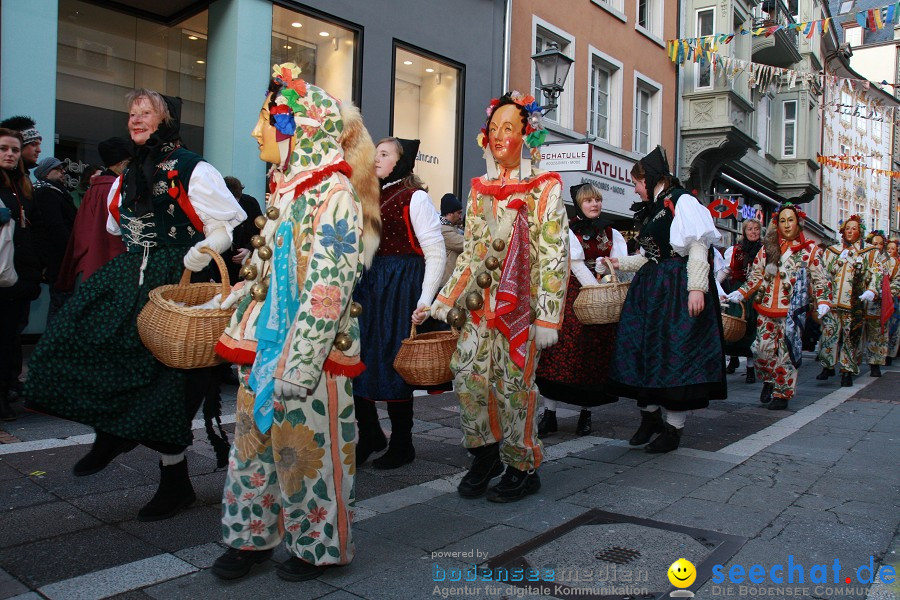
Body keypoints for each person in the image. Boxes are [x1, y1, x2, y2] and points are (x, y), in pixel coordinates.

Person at [24, 89, 246, 521]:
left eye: (146, 112)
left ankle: (170, 481)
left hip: (181, 280)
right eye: (132, 113)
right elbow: (115, 225)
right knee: (74, 339)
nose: (136, 118)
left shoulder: (192, 167)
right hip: (134, 276)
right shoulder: (126, 175)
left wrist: (202, 250)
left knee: (170, 385)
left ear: (166, 120)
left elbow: (225, 227)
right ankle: (112, 429)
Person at [212, 63, 380, 582]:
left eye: (265, 119)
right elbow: (266, 269)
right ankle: (249, 537)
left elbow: (329, 285)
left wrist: (299, 361)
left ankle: (316, 545)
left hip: (310, 356)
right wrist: (231, 301)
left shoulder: (335, 195)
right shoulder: (285, 192)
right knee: (251, 446)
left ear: (296, 127)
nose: (255, 131)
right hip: (262, 344)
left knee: (310, 451)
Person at [431, 91, 568, 502]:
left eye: (508, 129)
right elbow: (471, 252)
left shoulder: (545, 188)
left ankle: (522, 464)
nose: (498, 137)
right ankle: (485, 453)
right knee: (468, 380)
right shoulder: (478, 191)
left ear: (526, 135)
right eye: (493, 129)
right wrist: (447, 296)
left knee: (514, 388)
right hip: (477, 309)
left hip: (520, 311)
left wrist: (547, 317)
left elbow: (553, 252)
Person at [598, 146, 726, 454]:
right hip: (652, 290)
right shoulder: (656, 207)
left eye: (637, 182)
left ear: (649, 178)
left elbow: (697, 247)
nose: (635, 188)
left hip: (675, 289)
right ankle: (651, 416)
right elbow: (648, 258)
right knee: (640, 351)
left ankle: (673, 428)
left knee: (675, 356)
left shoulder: (682, 201)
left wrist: (697, 288)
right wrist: (618, 264)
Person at [352, 137, 445, 469]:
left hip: (400, 285)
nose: (376, 158)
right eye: (375, 152)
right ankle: (371, 434)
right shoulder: (367, 195)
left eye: (385, 154)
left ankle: (403, 444)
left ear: (402, 162)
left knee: (396, 363)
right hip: (370, 286)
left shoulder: (414, 197)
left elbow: (435, 251)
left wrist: (425, 300)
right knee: (357, 359)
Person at [535, 183, 625, 437]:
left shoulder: (611, 232)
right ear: (578, 204)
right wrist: (594, 290)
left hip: (601, 299)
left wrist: (606, 272)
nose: (594, 204)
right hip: (573, 296)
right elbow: (574, 264)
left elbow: (618, 265)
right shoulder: (567, 229)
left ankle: (586, 414)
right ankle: (549, 413)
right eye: (588, 201)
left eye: (597, 200)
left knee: (592, 355)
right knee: (557, 354)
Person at [724, 204, 832, 410]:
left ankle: (782, 393)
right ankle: (769, 379)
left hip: (792, 313)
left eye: (790, 220)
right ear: (777, 224)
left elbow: (820, 279)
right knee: (760, 349)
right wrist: (742, 292)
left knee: (786, 353)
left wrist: (824, 300)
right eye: (782, 221)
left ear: (798, 223)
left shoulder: (809, 251)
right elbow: (756, 275)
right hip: (765, 308)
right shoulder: (768, 249)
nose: (786, 225)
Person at [0, 129, 42, 421]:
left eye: (15, 149)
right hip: (3, 277)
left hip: (17, 277)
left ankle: (5, 393)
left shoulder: (22, 185)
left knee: (9, 339)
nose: (10, 154)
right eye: (4, 148)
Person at [55, 137, 130, 292]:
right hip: (105, 267)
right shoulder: (112, 189)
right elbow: (113, 238)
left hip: (86, 264)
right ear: (121, 163)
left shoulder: (95, 189)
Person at [816, 215, 881, 387]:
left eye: (854, 228)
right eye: (847, 228)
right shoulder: (832, 251)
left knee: (851, 336)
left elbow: (877, 272)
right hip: (832, 302)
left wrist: (872, 290)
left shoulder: (870, 251)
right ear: (842, 231)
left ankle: (847, 370)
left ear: (860, 231)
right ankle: (827, 365)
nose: (850, 231)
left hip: (854, 303)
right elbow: (822, 273)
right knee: (828, 333)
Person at [31, 157, 78, 323]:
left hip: (60, 257)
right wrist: (70, 251)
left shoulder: (53, 191)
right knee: (60, 302)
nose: (63, 172)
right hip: (58, 258)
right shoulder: (47, 193)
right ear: (46, 173)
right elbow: (55, 226)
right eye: (58, 169)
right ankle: (53, 343)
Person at [718, 219, 763, 383]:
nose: (753, 232)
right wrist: (718, 289)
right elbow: (726, 270)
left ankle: (750, 368)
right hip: (738, 292)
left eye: (756, 229)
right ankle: (733, 359)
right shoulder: (735, 250)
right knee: (736, 328)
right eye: (750, 229)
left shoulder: (765, 251)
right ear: (744, 232)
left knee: (752, 329)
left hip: (756, 294)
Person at [220, 176, 263, 285]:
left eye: (236, 202)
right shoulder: (214, 206)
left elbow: (261, 231)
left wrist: (249, 249)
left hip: (246, 265)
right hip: (221, 263)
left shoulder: (250, 203)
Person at [862, 231, 890, 377]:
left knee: (877, 336)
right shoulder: (862, 257)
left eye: (880, 244)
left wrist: (885, 291)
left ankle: (875, 364)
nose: (877, 247)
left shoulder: (889, 261)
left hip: (878, 305)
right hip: (861, 304)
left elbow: (895, 282)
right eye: (874, 244)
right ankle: (850, 365)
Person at [439, 192, 464, 287]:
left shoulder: (451, 228)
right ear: (449, 213)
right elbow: (466, 244)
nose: (460, 216)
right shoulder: (443, 231)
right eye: (459, 213)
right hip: (445, 284)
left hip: (448, 283)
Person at [885, 239, 900, 365]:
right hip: (884, 297)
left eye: (893, 248)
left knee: (894, 327)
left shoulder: (897, 264)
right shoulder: (882, 262)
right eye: (888, 248)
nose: (890, 251)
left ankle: (890, 353)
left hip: (896, 298)